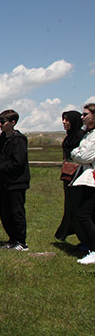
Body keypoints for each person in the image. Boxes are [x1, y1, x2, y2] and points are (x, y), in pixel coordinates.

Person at [0, 109, 30, 251]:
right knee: (5, 212)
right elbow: (3, 157)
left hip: (17, 182)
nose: (0, 124)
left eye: (3, 122)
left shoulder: (19, 140)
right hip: (5, 181)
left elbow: (18, 162)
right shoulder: (3, 138)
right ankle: (12, 239)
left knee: (16, 212)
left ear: (12, 123)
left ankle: (21, 241)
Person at [55, 110, 87, 246]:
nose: (64, 122)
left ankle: (86, 240)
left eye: (67, 119)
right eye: (63, 119)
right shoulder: (68, 138)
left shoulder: (82, 137)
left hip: (81, 177)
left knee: (81, 208)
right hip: (69, 177)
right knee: (71, 207)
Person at [72, 103, 95, 264]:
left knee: (84, 214)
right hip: (88, 179)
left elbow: (84, 156)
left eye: (86, 114)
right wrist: (77, 153)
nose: (82, 117)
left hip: (93, 179)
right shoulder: (88, 134)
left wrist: (76, 153)